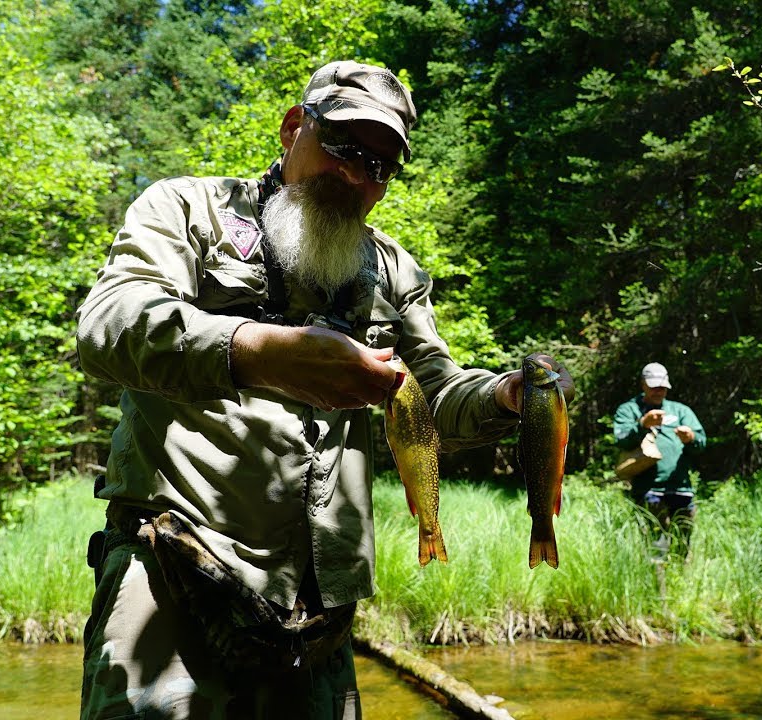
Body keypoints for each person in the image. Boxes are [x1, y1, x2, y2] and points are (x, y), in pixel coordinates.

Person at [74, 60, 574, 720]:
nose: (357, 175)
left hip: (320, 611)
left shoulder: (392, 270)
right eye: (344, 146)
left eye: (381, 165)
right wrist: (255, 351)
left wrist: (506, 396)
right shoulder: (189, 210)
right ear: (293, 129)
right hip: (172, 571)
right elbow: (107, 325)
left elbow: (437, 401)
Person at [612, 362, 706, 558]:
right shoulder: (630, 409)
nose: (658, 391)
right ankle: (658, 586)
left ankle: (681, 584)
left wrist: (691, 438)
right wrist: (642, 424)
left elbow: (702, 442)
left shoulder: (680, 411)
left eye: (662, 387)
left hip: (681, 489)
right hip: (649, 489)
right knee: (656, 547)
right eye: (653, 386)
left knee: (682, 545)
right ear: (643, 385)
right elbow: (621, 440)